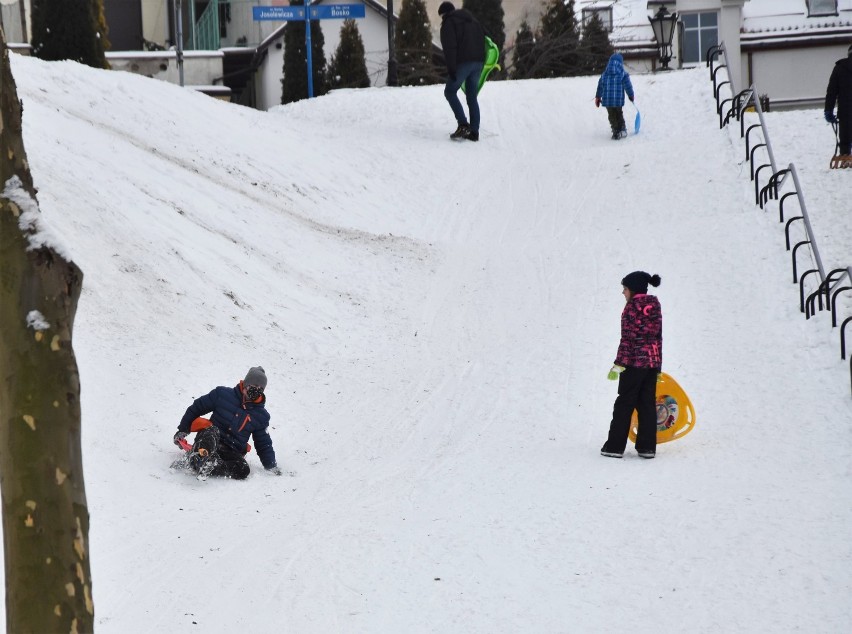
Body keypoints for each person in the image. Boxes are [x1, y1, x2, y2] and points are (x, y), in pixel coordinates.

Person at [173, 366, 282, 479]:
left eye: (260, 389)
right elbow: (196, 408)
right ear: (246, 384)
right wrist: (183, 429)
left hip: (232, 449)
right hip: (210, 439)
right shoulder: (222, 394)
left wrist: (271, 466)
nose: (256, 390)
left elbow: (263, 443)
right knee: (212, 431)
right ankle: (199, 458)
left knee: (243, 469)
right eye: (254, 386)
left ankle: (212, 465)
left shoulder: (261, 416)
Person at [601, 272, 662, 459]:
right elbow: (658, 338)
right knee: (646, 405)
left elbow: (627, 339)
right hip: (651, 364)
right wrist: (657, 367)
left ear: (633, 290)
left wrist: (618, 364)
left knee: (624, 404)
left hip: (633, 363)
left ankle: (614, 447)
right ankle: (647, 447)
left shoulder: (631, 308)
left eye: (625, 289)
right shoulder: (654, 306)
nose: (623, 293)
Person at [439, 1, 486, 142]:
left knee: (450, 91)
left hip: (463, 63)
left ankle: (463, 124)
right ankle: (474, 132)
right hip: (478, 62)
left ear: (444, 14)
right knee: (472, 96)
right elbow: (486, 38)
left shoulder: (449, 23)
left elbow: (450, 48)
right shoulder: (473, 20)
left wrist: (452, 69)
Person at [595, 53, 635, 140]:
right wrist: (631, 95)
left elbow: (600, 86)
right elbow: (628, 86)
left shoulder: (604, 74)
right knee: (619, 114)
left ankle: (615, 131)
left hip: (608, 101)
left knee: (612, 116)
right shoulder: (623, 74)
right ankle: (622, 130)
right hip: (618, 100)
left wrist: (598, 97)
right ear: (620, 63)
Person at [824, 43, 852, 157]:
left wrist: (828, 110)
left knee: (845, 137)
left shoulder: (839, 68)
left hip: (845, 112)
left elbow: (831, 92)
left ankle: (845, 158)